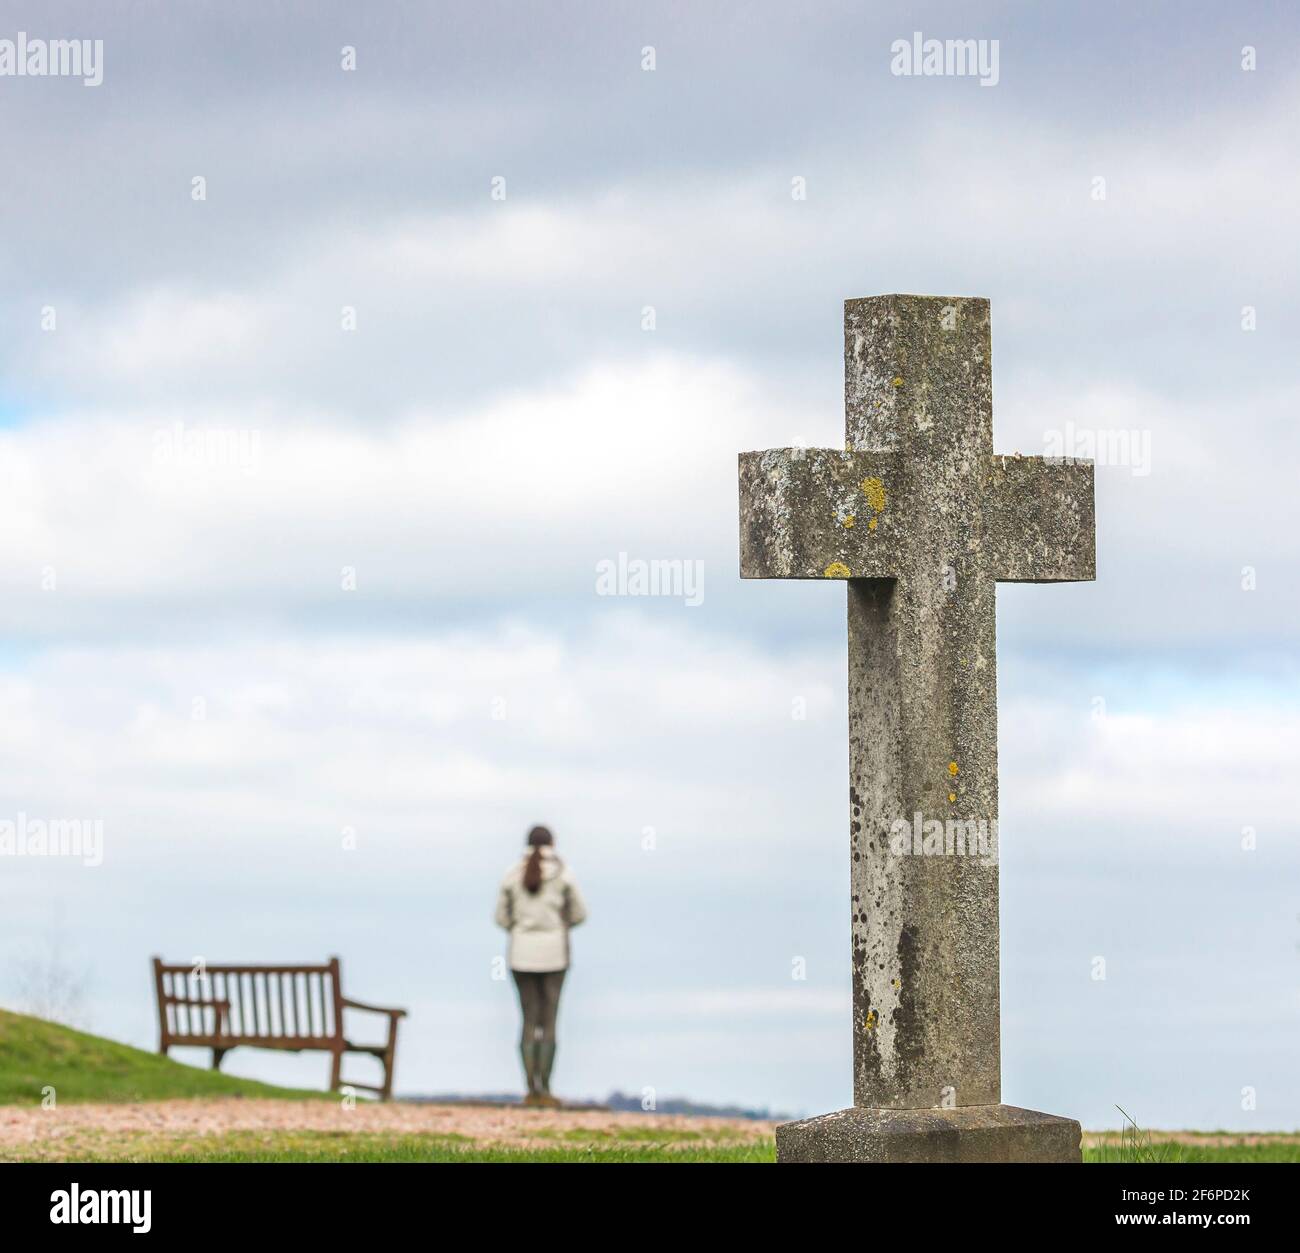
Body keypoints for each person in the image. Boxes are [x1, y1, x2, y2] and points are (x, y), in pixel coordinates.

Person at [494, 824, 587, 1106]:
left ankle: (530, 1086)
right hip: (555, 954)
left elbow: (500, 916)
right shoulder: (563, 874)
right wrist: (557, 926)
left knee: (528, 1020)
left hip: (521, 954)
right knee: (549, 1021)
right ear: (552, 843)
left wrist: (520, 928)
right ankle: (545, 1087)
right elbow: (580, 913)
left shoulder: (512, 873)